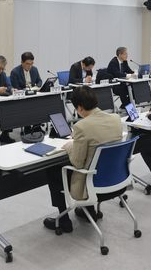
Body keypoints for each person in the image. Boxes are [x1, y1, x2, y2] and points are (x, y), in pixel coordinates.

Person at [43, 86, 122, 233]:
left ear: (79, 108)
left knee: (53, 170)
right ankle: (89, 211)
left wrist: (70, 147)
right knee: (94, 162)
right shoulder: (116, 119)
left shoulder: (81, 126)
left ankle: (64, 221)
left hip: (91, 182)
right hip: (114, 177)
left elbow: (77, 163)